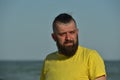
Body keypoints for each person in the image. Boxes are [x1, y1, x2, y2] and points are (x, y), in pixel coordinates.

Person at [40, 13, 106, 80]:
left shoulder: (90, 56)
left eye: (72, 32)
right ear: (54, 37)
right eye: (62, 34)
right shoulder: (48, 60)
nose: (68, 38)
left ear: (77, 32)